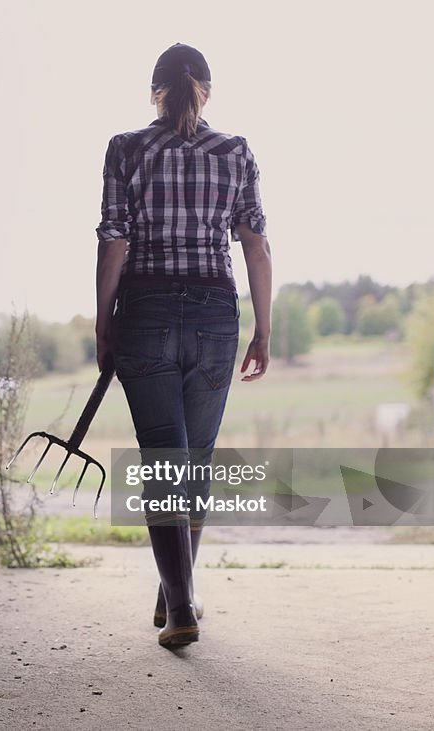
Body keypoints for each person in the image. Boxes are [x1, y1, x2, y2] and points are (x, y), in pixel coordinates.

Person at [95, 43, 273, 648]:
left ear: (155, 92)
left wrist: (103, 324)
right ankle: (180, 594)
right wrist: (264, 331)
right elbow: (256, 245)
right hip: (215, 314)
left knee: (165, 460)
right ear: (206, 90)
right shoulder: (235, 152)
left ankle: (180, 604)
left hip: (144, 310)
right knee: (193, 463)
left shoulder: (126, 148)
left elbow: (113, 241)